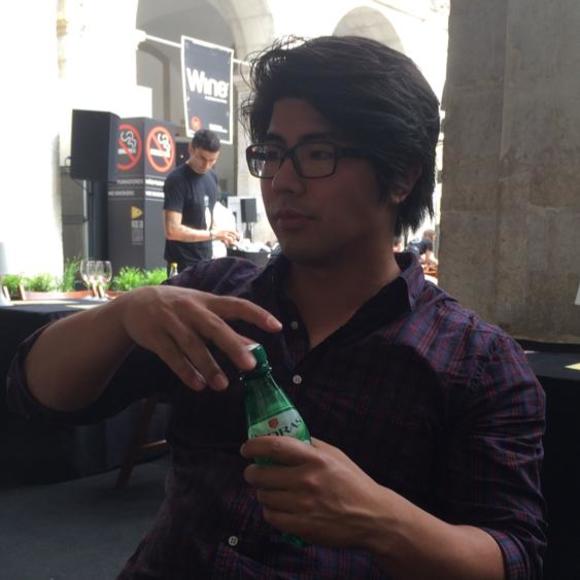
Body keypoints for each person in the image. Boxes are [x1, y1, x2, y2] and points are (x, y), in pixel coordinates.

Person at [6, 36, 545, 579]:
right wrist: (121, 316)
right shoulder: (214, 297)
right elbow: (37, 396)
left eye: (318, 154)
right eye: (272, 154)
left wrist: (382, 521)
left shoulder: (477, 361)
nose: (283, 183)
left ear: (402, 175)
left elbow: (515, 556)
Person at [163, 128, 239, 273]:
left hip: (206, 261)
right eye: (202, 158)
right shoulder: (176, 180)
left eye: (212, 160)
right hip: (182, 265)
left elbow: (207, 216)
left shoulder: (212, 177)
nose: (206, 165)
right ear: (191, 149)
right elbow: (172, 230)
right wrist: (214, 234)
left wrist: (226, 233)